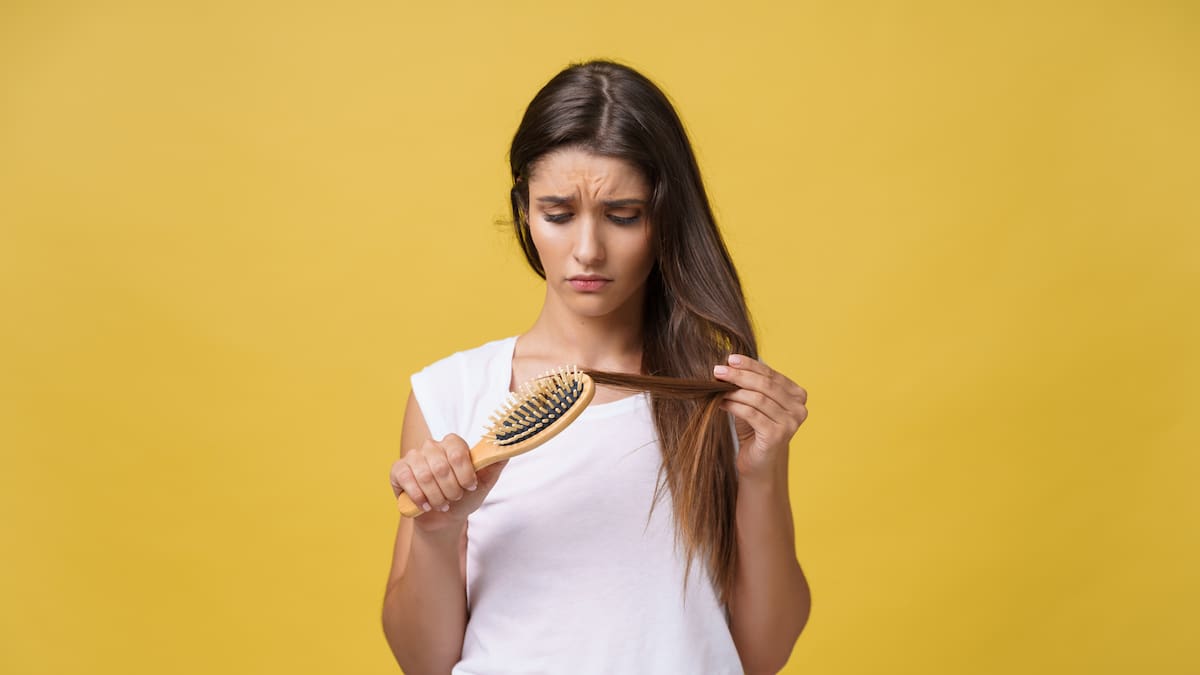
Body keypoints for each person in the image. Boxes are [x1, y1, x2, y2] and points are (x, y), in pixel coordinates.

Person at [381, 59, 811, 675]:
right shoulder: (451, 393)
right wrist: (437, 532)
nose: (587, 249)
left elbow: (764, 656)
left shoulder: (720, 397)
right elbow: (423, 663)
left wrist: (763, 471)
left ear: (663, 217)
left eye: (623, 214)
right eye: (558, 214)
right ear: (525, 213)